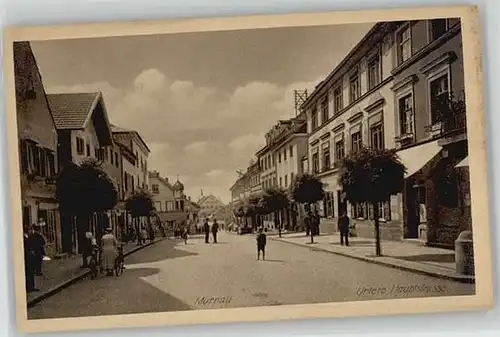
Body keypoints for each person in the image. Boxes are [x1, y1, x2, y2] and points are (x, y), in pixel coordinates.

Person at [23, 225, 38, 292]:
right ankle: (29, 287)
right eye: (29, 230)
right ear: (27, 231)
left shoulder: (28, 237)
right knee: (28, 273)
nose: (30, 231)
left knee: (31, 273)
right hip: (27, 259)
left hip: (30, 259)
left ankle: (32, 287)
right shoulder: (24, 238)